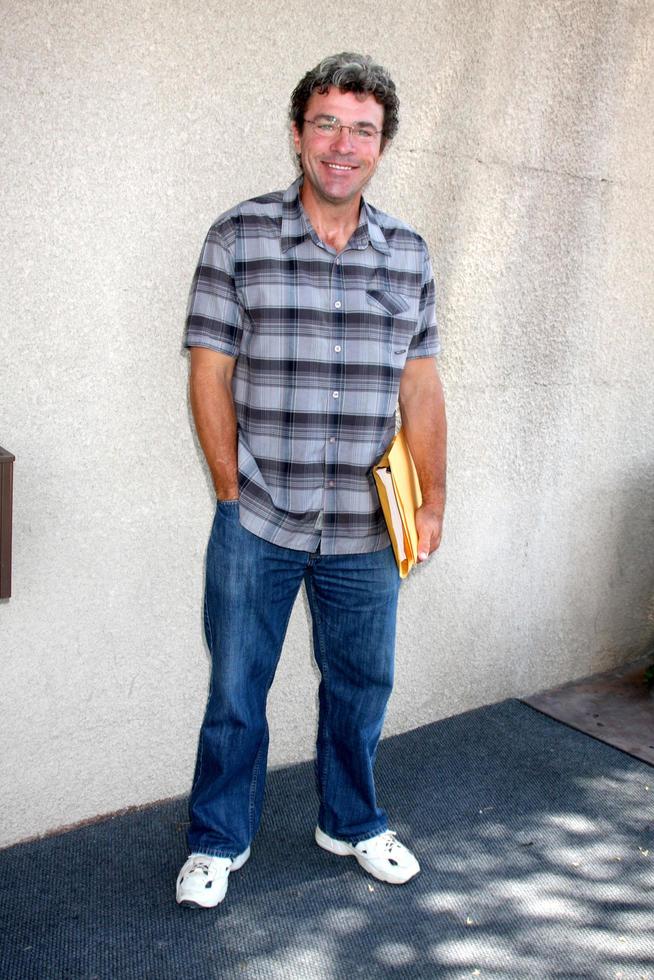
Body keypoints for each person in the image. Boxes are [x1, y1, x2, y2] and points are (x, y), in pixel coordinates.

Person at [176, 52, 447, 909]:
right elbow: (209, 372)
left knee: (363, 686)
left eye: (362, 129)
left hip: (370, 527)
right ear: (298, 135)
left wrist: (435, 498)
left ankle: (352, 821)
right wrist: (229, 489)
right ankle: (219, 839)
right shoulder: (239, 235)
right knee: (235, 690)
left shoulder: (407, 253)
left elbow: (422, 385)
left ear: (382, 146)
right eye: (326, 123)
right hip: (257, 516)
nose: (343, 144)